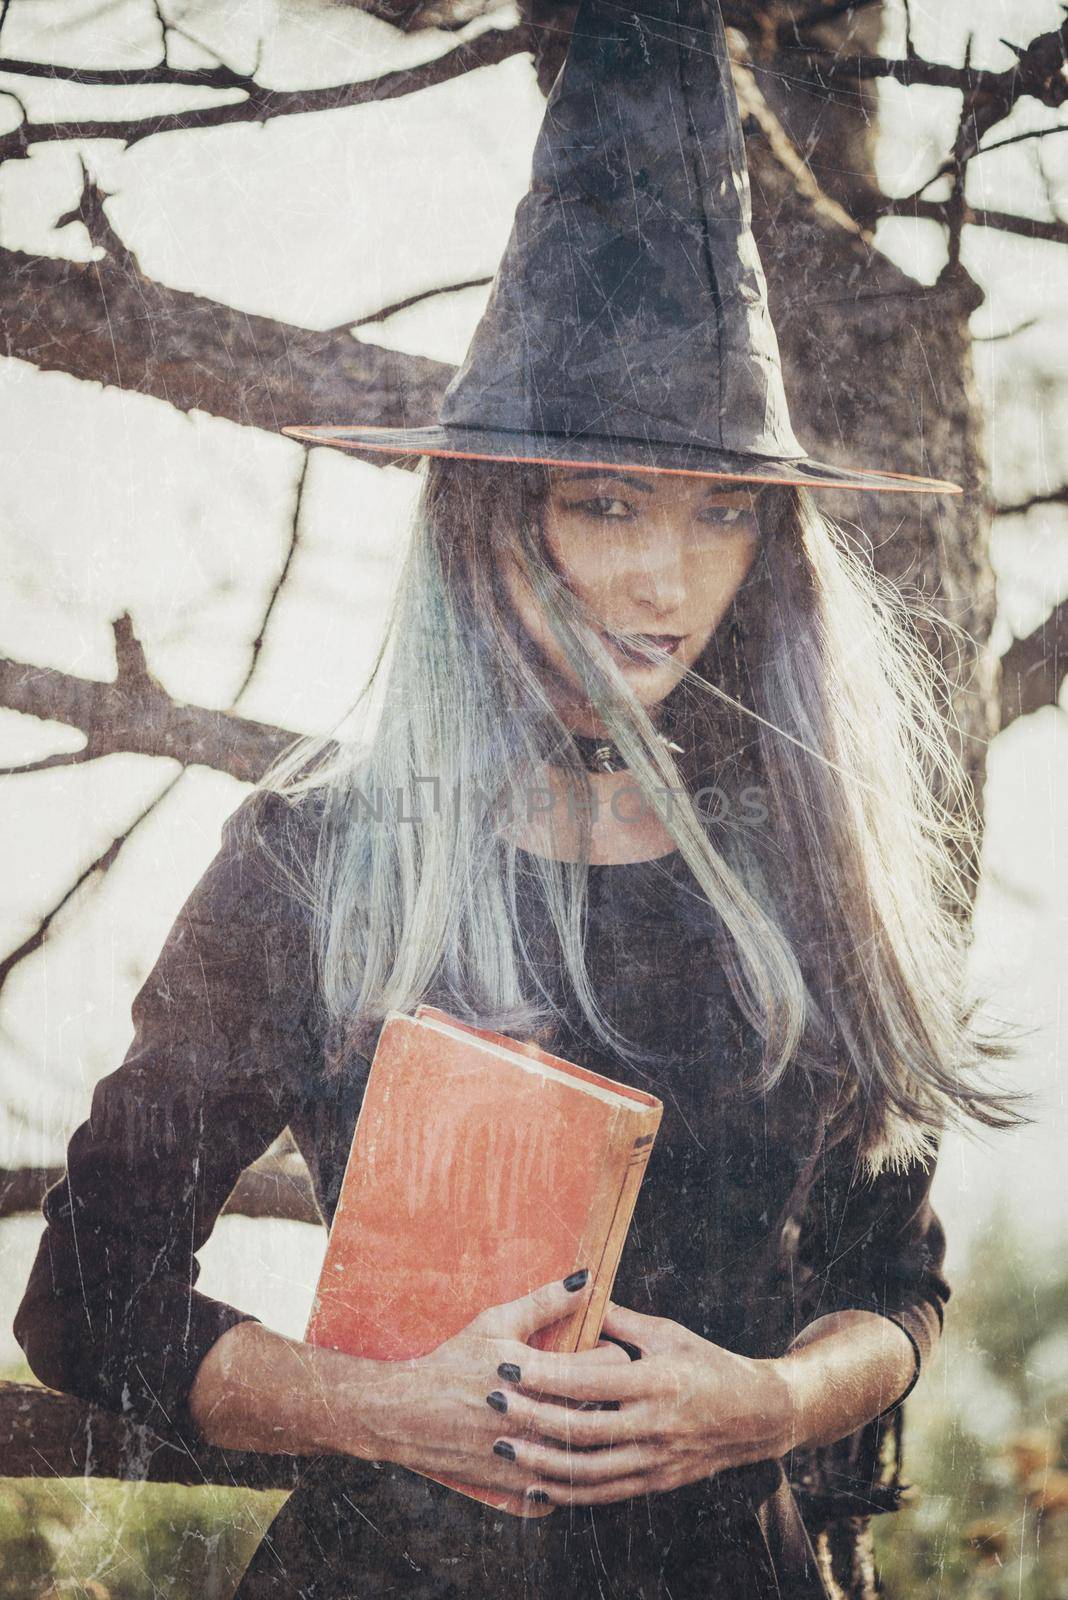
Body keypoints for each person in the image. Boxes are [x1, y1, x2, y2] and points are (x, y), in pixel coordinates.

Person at [15, 1, 1027, 1596]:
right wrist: (381, 1414)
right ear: (490, 516)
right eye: (604, 500)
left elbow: (896, 1287)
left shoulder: (809, 859)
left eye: (720, 513)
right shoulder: (316, 859)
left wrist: (762, 1402)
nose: (664, 578)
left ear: (775, 544)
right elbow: (85, 1299)